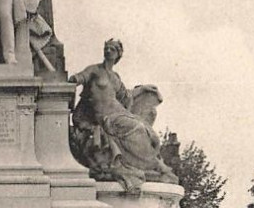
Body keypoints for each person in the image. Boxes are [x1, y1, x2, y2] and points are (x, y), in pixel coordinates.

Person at [69, 39, 178, 194]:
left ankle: (151, 165)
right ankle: (152, 165)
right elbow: (80, 77)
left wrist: (143, 89)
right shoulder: (94, 70)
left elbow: (126, 96)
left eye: (112, 49)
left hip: (119, 112)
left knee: (148, 132)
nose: (108, 51)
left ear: (118, 55)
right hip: (107, 118)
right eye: (106, 48)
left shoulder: (115, 77)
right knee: (137, 128)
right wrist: (73, 80)